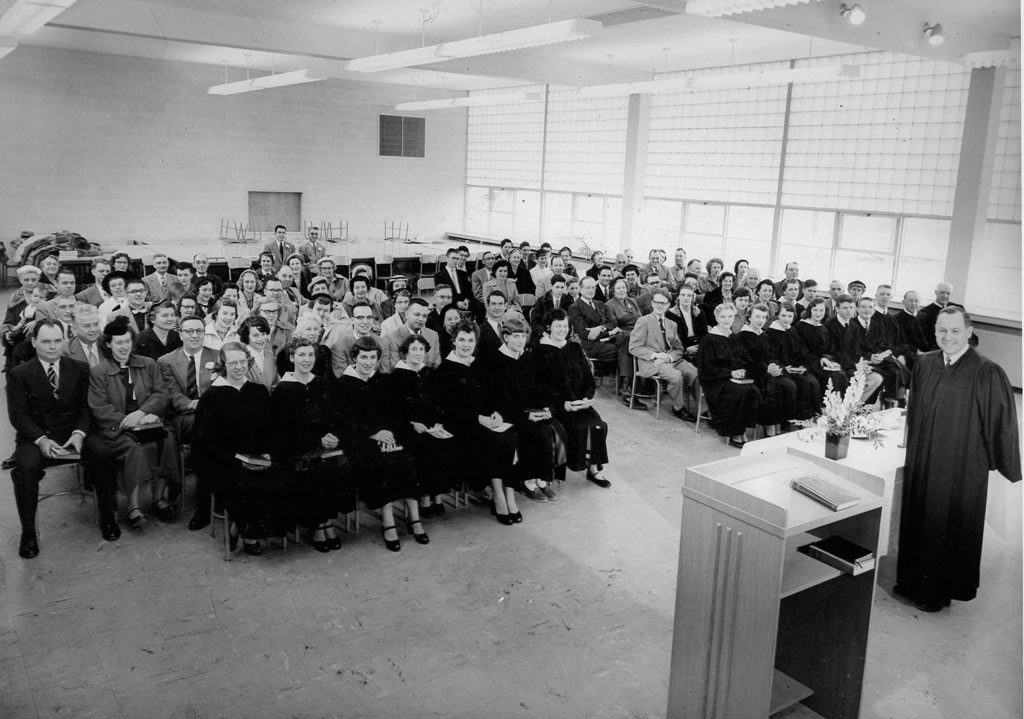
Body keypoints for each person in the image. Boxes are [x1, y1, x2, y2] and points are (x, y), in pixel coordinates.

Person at [895, 307, 1021, 612]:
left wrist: (1000, 463)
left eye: (954, 331)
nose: (947, 337)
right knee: (918, 514)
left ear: (968, 332)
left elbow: (1001, 422)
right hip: (924, 457)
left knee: (945, 523)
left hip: (961, 465)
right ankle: (912, 583)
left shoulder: (986, 371)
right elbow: (914, 412)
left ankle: (937, 594)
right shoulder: (925, 363)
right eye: (941, 331)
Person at [7, 320, 121, 558]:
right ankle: (28, 533)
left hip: (73, 433)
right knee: (25, 468)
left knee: (105, 454)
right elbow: (18, 415)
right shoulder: (20, 373)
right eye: (46, 341)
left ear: (64, 340)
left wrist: (79, 433)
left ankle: (108, 517)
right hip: (37, 436)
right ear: (34, 342)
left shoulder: (78, 368)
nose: (52, 347)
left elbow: (85, 408)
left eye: (57, 340)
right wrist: (41, 440)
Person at [88, 315, 179, 527]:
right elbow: (99, 407)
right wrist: (129, 420)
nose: (124, 347)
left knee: (168, 440)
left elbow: (162, 393)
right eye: (118, 342)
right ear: (108, 344)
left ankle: (158, 498)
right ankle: (133, 505)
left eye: (127, 341)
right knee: (135, 448)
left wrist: (145, 412)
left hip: (149, 421)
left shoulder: (147, 364)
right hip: (118, 428)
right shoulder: (99, 371)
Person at [335, 337, 425, 550]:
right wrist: (374, 435)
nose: (368, 362)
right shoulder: (343, 384)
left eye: (372, 357)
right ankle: (388, 521)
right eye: (363, 357)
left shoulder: (385, 381)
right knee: (382, 463)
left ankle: (415, 518)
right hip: (361, 441)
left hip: (390, 438)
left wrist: (391, 435)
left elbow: (398, 414)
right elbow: (345, 421)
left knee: (407, 458)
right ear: (354, 357)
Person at [194, 341, 281, 555]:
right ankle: (249, 535)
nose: (239, 367)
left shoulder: (258, 390)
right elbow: (206, 441)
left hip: (258, 455)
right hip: (223, 460)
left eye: (243, 361)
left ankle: (237, 527)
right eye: (233, 363)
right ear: (223, 365)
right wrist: (236, 458)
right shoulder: (211, 397)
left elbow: (271, 427)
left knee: (278, 477)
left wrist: (268, 451)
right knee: (245, 482)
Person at [435, 322, 522, 522]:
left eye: (470, 340)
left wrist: (497, 413)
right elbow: (449, 409)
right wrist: (478, 418)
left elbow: (495, 395)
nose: (466, 345)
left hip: (489, 420)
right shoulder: (445, 369)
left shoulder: (480, 365)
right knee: (494, 442)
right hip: (463, 425)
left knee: (511, 437)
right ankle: (499, 496)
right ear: (453, 341)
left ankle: (510, 496)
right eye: (462, 340)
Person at [271, 336, 351, 553]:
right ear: (291, 357)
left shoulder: (322, 383)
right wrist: (317, 440)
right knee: (315, 470)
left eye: (310, 355)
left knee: (341, 466)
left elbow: (335, 417)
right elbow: (283, 432)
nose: (307, 359)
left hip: (326, 446)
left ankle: (326, 521)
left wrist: (333, 434)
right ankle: (319, 526)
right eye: (301, 355)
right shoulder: (283, 390)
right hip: (297, 449)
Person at [487, 318, 567, 502]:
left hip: (530, 409)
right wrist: (526, 415)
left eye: (523, 336)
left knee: (556, 427)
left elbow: (536, 388)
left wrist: (545, 408)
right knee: (537, 432)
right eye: (515, 336)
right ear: (506, 337)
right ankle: (528, 482)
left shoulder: (528, 357)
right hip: (507, 413)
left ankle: (541, 478)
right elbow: (499, 398)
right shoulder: (497, 360)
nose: (520, 341)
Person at [533, 310, 611, 487]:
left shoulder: (574, 348)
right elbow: (541, 386)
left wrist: (585, 398)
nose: (562, 329)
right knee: (579, 427)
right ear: (549, 327)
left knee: (598, 425)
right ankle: (566, 467)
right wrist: (563, 404)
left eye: (565, 326)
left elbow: (588, 379)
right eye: (558, 326)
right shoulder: (540, 351)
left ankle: (594, 469)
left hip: (578, 402)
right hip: (557, 405)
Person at [157, 315, 218, 530]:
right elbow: (172, 395)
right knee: (207, 432)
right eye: (189, 331)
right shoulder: (166, 361)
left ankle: (204, 498)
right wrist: (199, 405)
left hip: (211, 417)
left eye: (199, 331)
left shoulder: (218, 356)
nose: (194, 335)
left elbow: (220, 389)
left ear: (205, 333)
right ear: (180, 334)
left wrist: (205, 406)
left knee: (207, 436)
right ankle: (207, 499)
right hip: (181, 417)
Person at [390, 334, 460, 518]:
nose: (418, 353)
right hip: (410, 427)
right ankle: (425, 498)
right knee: (424, 447)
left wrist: (438, 421)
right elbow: (396, 410)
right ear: (405, 352)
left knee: (446, 444)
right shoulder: (396, 376)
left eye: (421, 349)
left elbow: (440, 402)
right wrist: (413, 424)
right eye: (414, 349)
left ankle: (437, 496)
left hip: (431, 425)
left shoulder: (430, 373)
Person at [696, 303, 762, 448]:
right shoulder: (708, 340)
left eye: (730, 316)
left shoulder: (735, 337)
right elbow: (706, 368)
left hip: (735, 379)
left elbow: (745, 360)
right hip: (715, 381)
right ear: (717, 318)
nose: (727, 320)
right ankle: (734, 432)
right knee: (739, 392)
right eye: (723, 317)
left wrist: (743, 371)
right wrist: (730, 373)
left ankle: (741, 429)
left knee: (752, 390)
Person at [629, 289, 698, 421]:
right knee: (676, 377)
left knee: (694, 373)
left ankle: (703, 410)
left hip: (669, 359)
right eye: (657, 302)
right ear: (652, 303)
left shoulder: (672, 324)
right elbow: (633, 347)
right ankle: (678, 408)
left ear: (668, 305)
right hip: (651, 361)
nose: (660, 306)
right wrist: (656, 355)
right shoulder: (643, 321)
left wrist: (668, 357)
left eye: (663, 303)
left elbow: (678, 349)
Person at [732, 303, 796, 435]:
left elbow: (773, 356)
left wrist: (777, 367)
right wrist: (766, 369)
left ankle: (779, 422)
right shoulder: (742, 336)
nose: (760, 320)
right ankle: (769, 426)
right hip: (753, 373)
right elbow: (744, 361)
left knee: (789, 384)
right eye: (757, 316)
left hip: (768, 371)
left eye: (763, 317)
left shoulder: (765, 336)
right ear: (749, 317)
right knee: (772, 386)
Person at [568, 276, 628, 390]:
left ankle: (626, 383)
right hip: (590, 344)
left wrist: (600, 328)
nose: (591, 290)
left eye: (593, 287)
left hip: (606, 340)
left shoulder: (600, 304)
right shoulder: (575, 307)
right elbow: (584, 333)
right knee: (622, 350)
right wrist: (609, 332)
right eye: (588, 287)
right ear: (580, 290)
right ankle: (625, 385)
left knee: (626, 344)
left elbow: (613, 323)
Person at [764, 302, 820, 420]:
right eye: (783, 316)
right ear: (777, 315)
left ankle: (810, 417)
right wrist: (784, 368)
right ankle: (796, 420)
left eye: (790, 316)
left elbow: (801, 352)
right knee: (801, 383)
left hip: (795, 368)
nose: (786, 319)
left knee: (813, 382)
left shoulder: (793, 331)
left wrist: (803, 366)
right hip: (781, 370)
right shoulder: (770, 333)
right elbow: (771, 356)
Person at [795, 297, 849, 400]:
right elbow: (802, 351)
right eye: (815, 310)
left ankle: (839, 409)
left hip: (823, 363)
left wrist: (826, 358)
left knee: (841, 375)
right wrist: (819, 359)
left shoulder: (824, 328)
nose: (818, 313)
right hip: (807, 362)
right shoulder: (801, 326)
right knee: (831, 377)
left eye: (821, 310)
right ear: (809, 310)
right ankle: (826, 408)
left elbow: (829, 350)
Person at [381, 297, 440, 372]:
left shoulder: (433, 335)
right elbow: (394, 368)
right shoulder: (391, 338)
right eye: (417, 314)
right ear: (406, 314)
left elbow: (436, 365)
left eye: (424, 316)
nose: (421, 319)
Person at [323, 301, 381, 377]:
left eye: (369, 317)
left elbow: (385, 371)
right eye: (360, 318)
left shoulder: (382, 341)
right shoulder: (340, 346)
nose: (365, 322)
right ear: (352, 320)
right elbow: (341, 376)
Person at [666, 285, 707, 359]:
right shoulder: (670, 314)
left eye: (689, 295)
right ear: (678, 297)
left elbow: (704, 333)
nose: (686, 298)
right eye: (683, 295)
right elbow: (671, 338)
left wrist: (701, 347)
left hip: (698, 345)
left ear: (693, 298)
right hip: (681, 347)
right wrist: (686, 349)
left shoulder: (699, 312)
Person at [238, 316, 278, 389]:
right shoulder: (240, 357)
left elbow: (275, 382)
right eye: (255, 335)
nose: (261, 339)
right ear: (247, 336)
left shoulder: (270, 355)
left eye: (263, 334)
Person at [893, 290, 929, 369]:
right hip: (908, 354)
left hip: (926, 354)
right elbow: (900, 343)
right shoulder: (896, 319)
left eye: (916, 301)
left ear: (920, 302)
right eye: (910, 301)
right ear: (903, 302)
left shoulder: (925, 317)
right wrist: (916, 352)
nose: (913, 304)